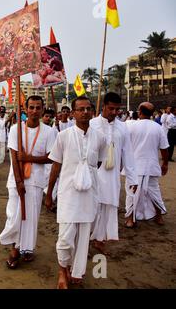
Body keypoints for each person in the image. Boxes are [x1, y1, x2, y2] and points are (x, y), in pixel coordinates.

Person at [45, 96, 106, 289]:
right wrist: (49, 193)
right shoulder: (63, 136)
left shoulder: (100, 137)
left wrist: (85, 177)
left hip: (89, 193)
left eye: (88, 109)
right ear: (73, 113)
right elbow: (56, 166)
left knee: (83, 235)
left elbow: (98, 163)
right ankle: (62, 269)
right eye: (81, 109)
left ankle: (76, 271)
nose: (85, 112)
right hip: (68, 193)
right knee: (65, 237)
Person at [0, 96, 56, 268]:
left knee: (30, 217)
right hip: (16, 180)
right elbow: (13, 156)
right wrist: (18, 181)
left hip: (36, 181)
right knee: (14, 216)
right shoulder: (16, 129)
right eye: (31, 107)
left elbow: (51, 158)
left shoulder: (49, 131)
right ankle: (14, 249)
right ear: (25, 108)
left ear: (42, 109)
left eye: (38, 107)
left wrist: (29, 158)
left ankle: (26, 248)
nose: (34, 111)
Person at [89, 92, 138, 255]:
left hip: (112, 175)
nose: (114, 112)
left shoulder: (123, 127)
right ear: (103, 106)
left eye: (117, 109)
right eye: (111, 108)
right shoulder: (92, 124)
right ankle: (89, 236)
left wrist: (132, 179)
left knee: (109, 204)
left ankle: (100, 238)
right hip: (94, 173)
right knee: (93, 205)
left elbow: (128, 154)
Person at [124, 102, 169, 227]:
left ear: (139, 112)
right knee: (154, 192)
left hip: (134, 166)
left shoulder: (130, 126)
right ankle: (159, 217)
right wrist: (165, 163)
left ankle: (130, 219)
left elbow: (123, 146)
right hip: (151, 166)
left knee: (131, 192)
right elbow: (164, 149)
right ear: (152, 113)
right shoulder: (158, 127)